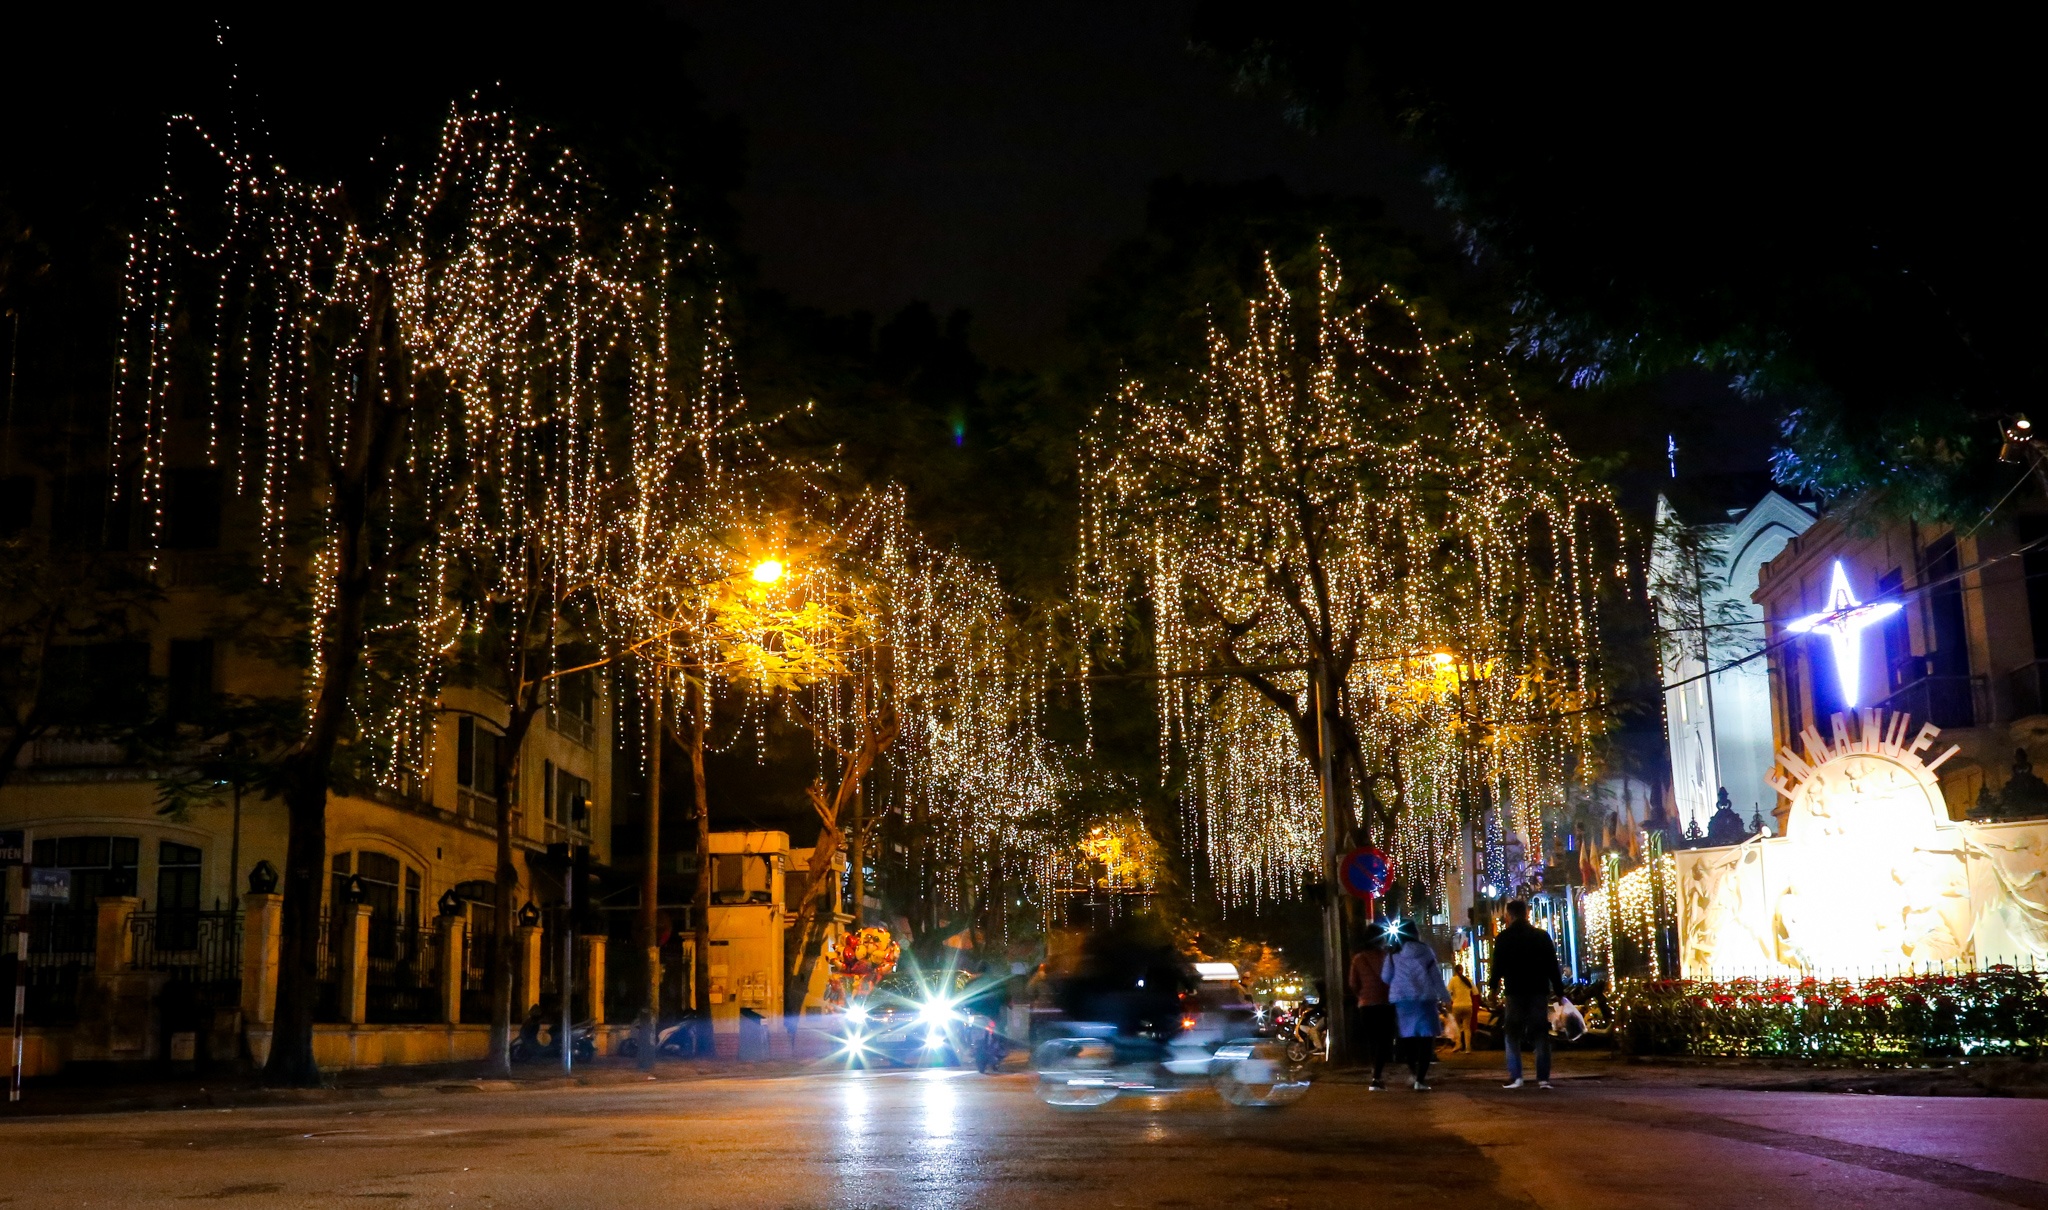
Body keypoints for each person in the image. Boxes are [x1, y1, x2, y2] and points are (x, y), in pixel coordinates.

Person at [1488, 899, 1565, 1089]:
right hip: (1538, 990)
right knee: (1540, 1033)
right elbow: (1552, 965)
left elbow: (1498, 966)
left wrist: (1493, 988)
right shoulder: (1541, 936)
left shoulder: (1504, 938)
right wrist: (1558, 990)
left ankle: (1517, 1077)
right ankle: (1543, 1079)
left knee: (1512, 1033)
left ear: (1509, 915)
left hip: (1514, 991)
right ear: (1526, 914)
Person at [1380, 927, 1448, 1091]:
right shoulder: (1426, 951)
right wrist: (1445, 996)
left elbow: (1385, 977)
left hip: (1403, 1001)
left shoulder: (1393, 953)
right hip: (1425, 999)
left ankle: (1413, 1071)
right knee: (1426, 1039)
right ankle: (1421, 1079)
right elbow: (1435, 976)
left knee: (1408, 1037)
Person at [1347, 934, 1395, 1090]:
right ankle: (1377, 1076)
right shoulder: (1387, 957)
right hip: (1385, 1003)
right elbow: (1392, 978)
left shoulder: (1358, 959)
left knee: (1372, 1040)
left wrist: (1361, 995)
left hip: (1366, 1005)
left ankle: (1375, 1073)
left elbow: (1353, 983)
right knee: (1383, 1041)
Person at [1446, 965, 1477, 1052]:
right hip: (1468, 1005)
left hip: (1457, 1006)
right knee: (1467, 1028)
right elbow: (1475, 992)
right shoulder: (1468, 980)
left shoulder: (1453, 980)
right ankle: (1468, 1048)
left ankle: (1458, 1044)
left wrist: (1452, 998)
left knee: (1457, 1027)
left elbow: (1448, 991)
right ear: (1462, 970)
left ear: (1455, 971)